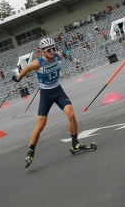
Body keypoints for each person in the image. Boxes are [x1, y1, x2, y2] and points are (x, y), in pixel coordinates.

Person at [13, 38, 86, 168]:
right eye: (49, 50)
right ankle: (31, 151)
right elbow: (26, 69)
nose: (53, 51)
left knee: (71, 115)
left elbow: (65, 53)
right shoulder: (37, 63)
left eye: (54, 48)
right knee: (41, 125)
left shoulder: (58, 56)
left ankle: (75, 143)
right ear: (42, 51)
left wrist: (66, 51)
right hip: (46, 95)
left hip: (58, 91)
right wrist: (18, 78)